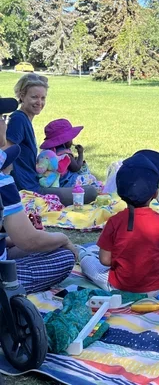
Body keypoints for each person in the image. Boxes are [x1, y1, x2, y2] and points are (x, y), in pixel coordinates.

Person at [0, 97, 77, 294]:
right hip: (2, 281)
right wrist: (63, 239)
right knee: (63, 256)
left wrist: (10, 239)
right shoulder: (2, 182)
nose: (4, 123)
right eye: (2, 117)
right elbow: (30, 240)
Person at [80, 150, 159, 295]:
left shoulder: (115, 221)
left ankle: (80, 253)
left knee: (87, 262)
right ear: (155, 194)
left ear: (120, 193)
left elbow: (104, 260)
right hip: (155, 289)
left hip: (119, 287)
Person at [5, 74, 98, 206]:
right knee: (91, 192)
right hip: (30, 190)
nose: (39, 102)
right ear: (21, 96)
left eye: (43, 98)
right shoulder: (18, 119)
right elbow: (5, 153)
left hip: (33, 183)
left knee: (87, 189)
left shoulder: (24, 119)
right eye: (34, 97)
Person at [40, 118, 103, 191]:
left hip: (55, 182)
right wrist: (80, 154)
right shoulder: (65, 154)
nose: (72, 141)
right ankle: (96, 190)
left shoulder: (49, 152)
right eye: (70, 139)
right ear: (64, 141)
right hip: (68, 183)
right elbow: (76, 168)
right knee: (91, 178)